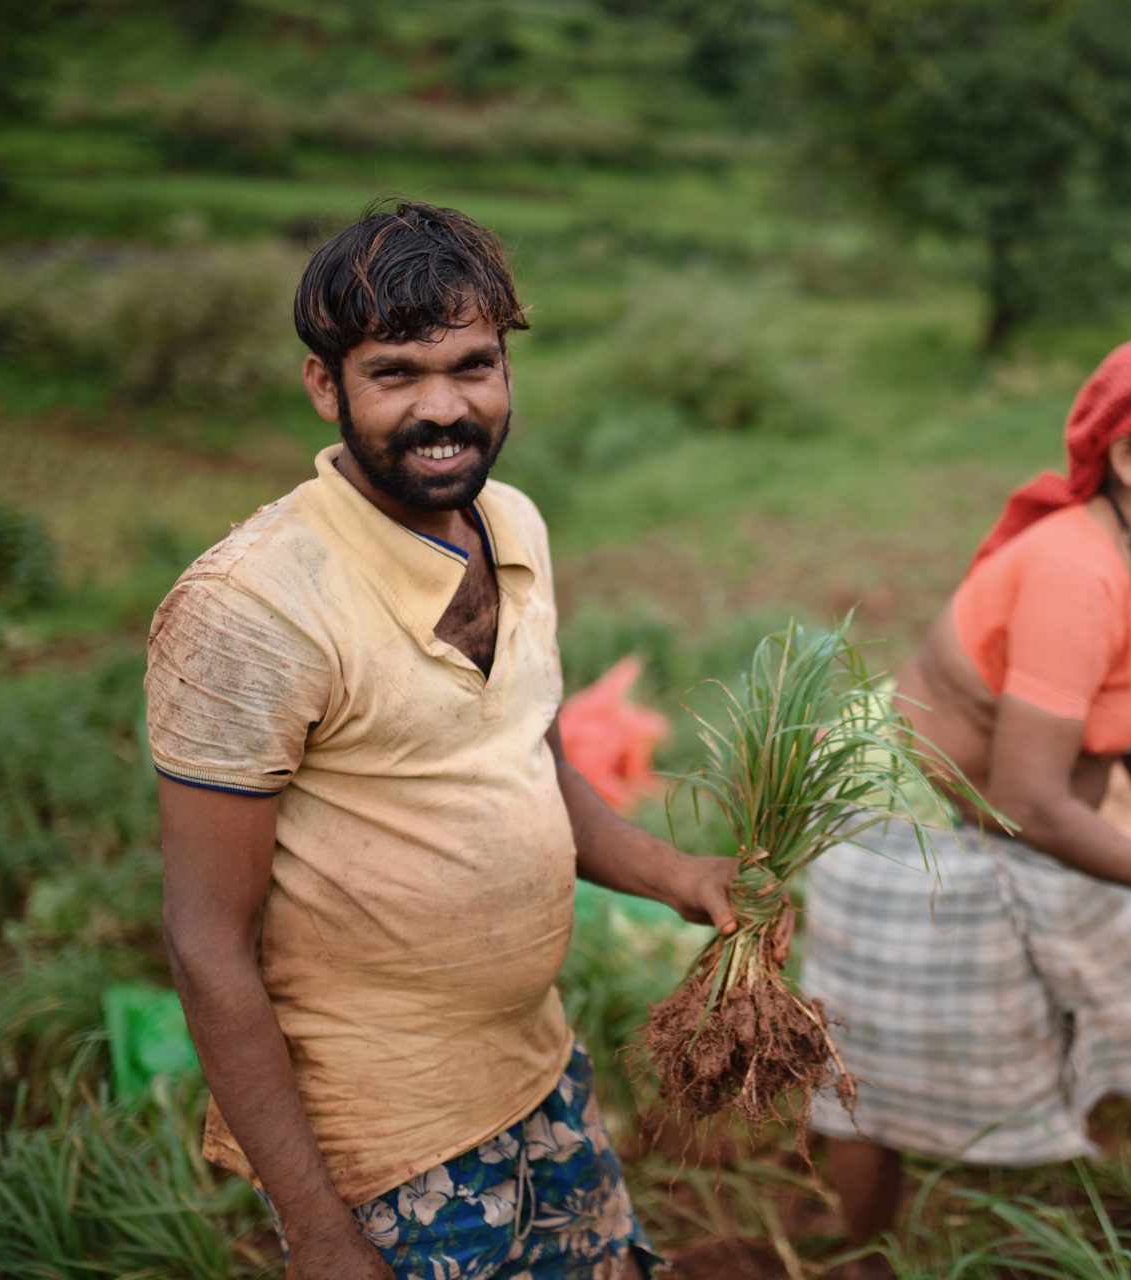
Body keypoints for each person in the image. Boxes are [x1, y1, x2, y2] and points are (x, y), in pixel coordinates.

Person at [144, 200, 743, 1280]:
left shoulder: (512, 524)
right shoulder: (251, 607)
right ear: (324, 385)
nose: (444, 408)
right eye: (396, 374)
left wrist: (680, 872)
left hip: (537, 1071)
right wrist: (322, 1233)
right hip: (386, 1141)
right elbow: (205, 942)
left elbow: (532, 765)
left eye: (473, 366)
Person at [799, 336, 1131, 1270]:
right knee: (871, 1057)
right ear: (1130, 461)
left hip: (1026, 831)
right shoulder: (1075, 571)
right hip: (898, 829)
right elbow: (1031, 793)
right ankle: (854, 1251)